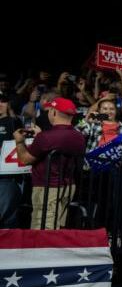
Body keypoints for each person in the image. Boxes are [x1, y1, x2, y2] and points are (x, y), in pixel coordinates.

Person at [12, 97, 85, 230]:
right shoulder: (79, 136)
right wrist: (41, 136)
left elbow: (25, 159)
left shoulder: (46, 137)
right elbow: (57, 142)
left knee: (43, 228)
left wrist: (19, 141)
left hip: (46, 188)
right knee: (58, 226)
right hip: (68, 187)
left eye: (50, 110)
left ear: (54, 112)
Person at [0, 91, 23, 228]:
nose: (0, 104)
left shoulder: (13, 122)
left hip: (6, 177)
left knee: (7, 219)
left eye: (3, 101)